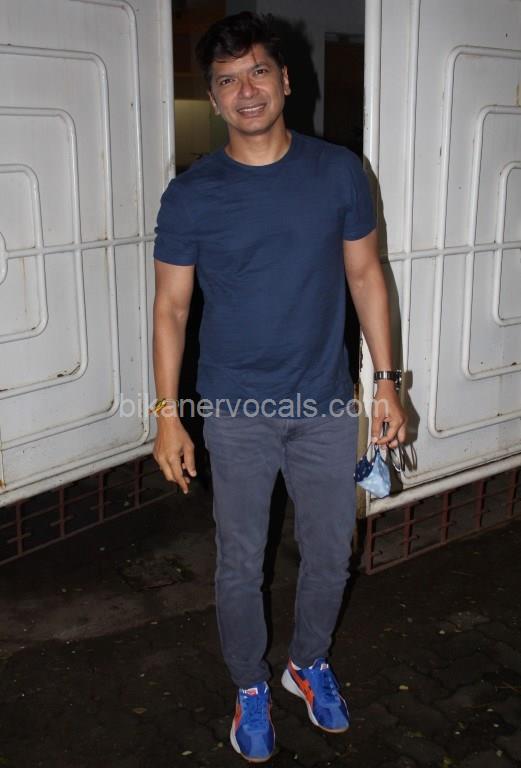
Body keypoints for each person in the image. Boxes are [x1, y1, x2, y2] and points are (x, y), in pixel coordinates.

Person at [151, 11, 407, 763]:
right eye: (227, 80)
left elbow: (366, 275)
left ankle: (307, 663)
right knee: (241, 562)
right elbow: (170, 309)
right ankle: (249, 686)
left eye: (258, 71)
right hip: (237, 409)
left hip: (324, 402)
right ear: (213, 98)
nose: (246, 90)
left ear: (286, 80)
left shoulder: (338, 172)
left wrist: (386, 382)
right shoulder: (192, 194)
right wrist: (166, 414)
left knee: (331, 553)